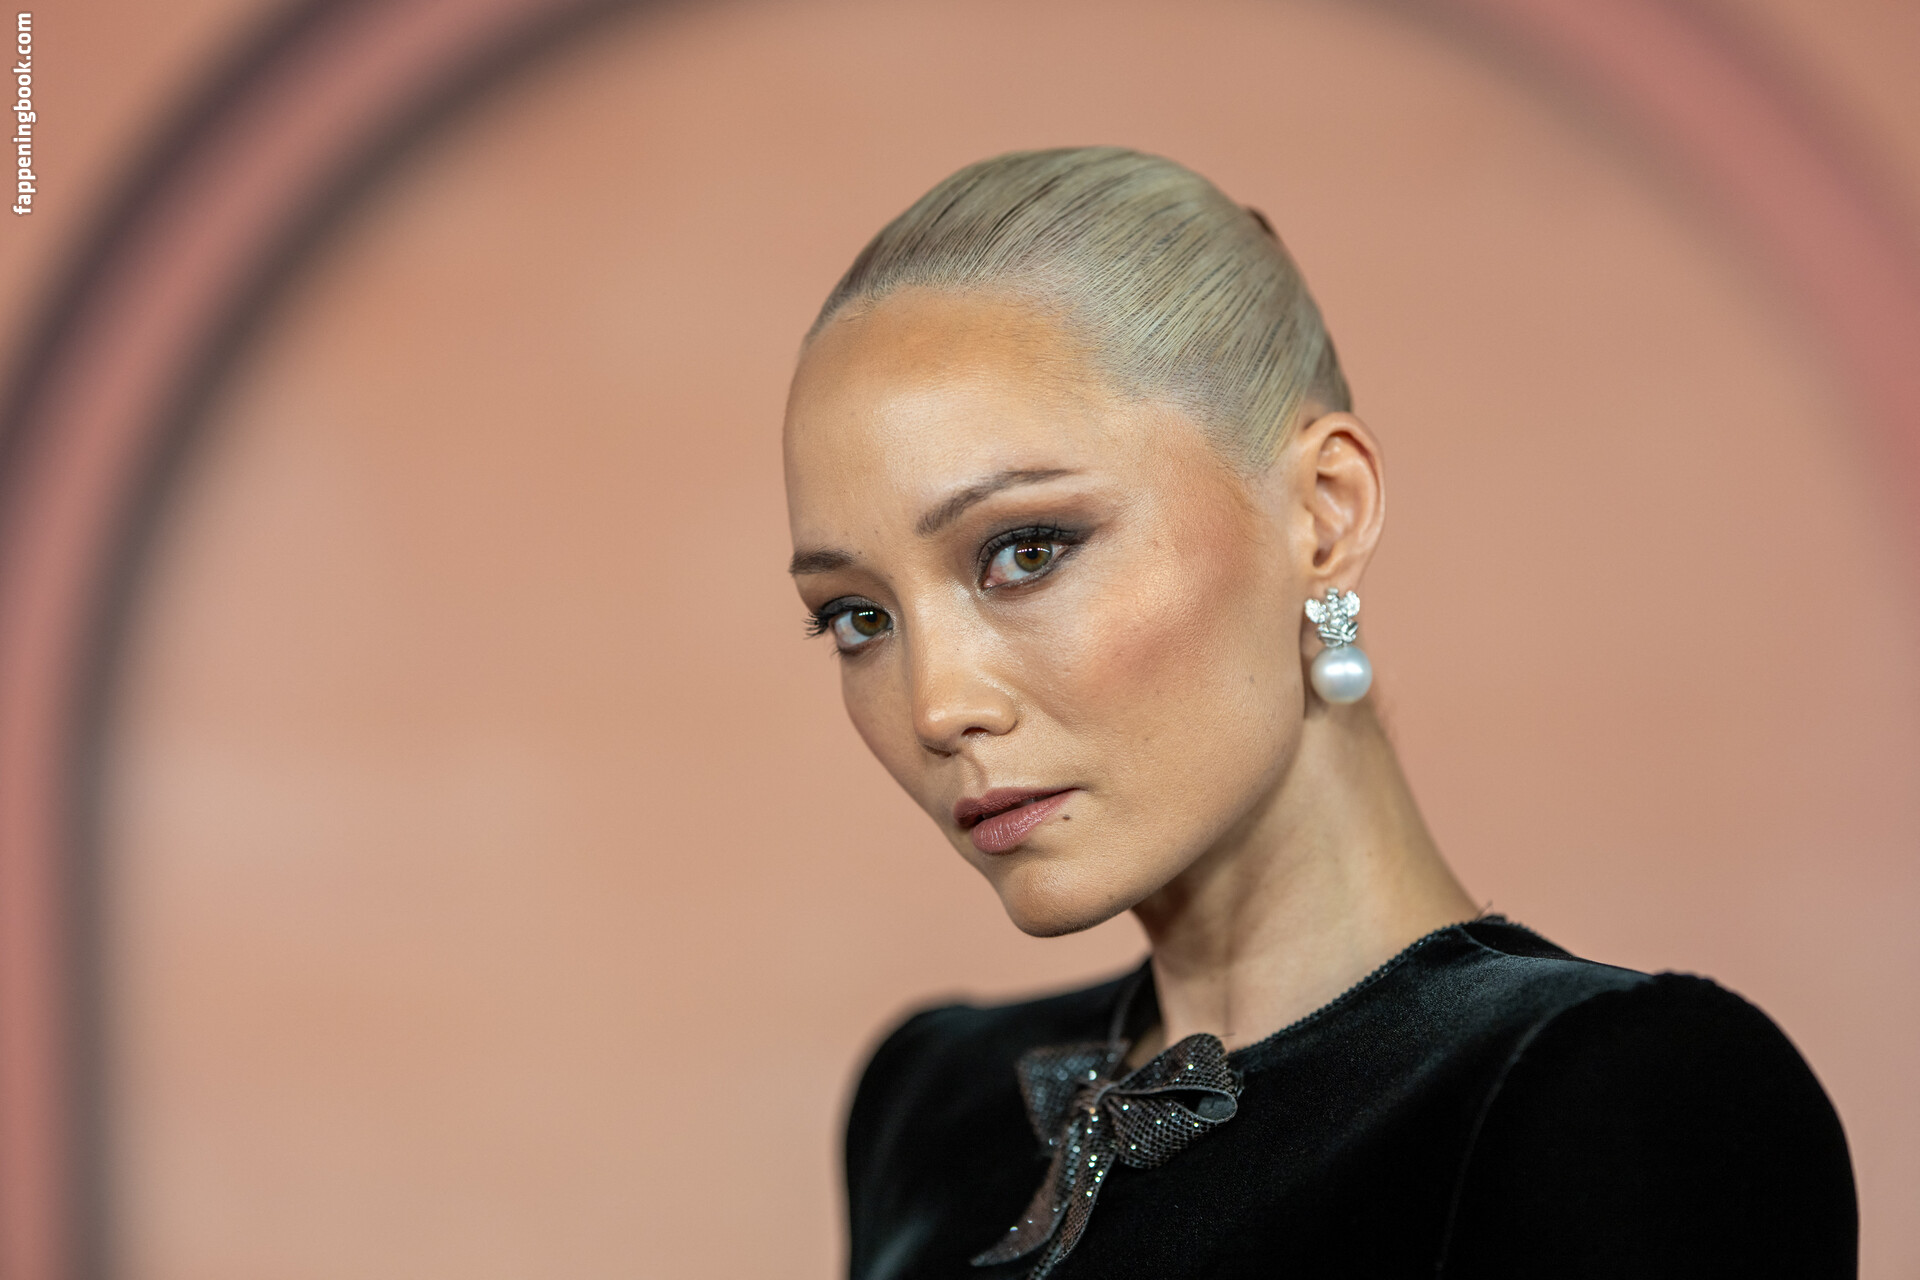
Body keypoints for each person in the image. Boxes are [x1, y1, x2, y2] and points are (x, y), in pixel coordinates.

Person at [781, 147, 1855, 1280]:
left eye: (1026, 551)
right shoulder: (932, 1109)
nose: (936, 705)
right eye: (858, 617)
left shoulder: (1612, 1099)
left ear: (1324, 515)